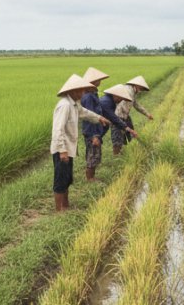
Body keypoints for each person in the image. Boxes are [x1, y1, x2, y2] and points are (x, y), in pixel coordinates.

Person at [51, 73, 95, 212]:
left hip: (69, 148)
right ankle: (59, 210)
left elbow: (85, 113)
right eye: (81, 90)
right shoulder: (64, 105)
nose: (83, 93)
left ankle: (66, 205)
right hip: (62, 149)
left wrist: (99, 118)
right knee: (60, 179)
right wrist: (62, 150)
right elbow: (58, 129)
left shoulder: (74, 104)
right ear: (74, 91)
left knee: (67, 178)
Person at [112, 75, 154, 156]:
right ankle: (116, 155)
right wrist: (120, 121)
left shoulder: (132, 92)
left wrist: (147, 114)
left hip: (125, 115)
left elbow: (136, 104)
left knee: (129, 132)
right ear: (136, 85)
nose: (140, 90)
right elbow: (120, 105)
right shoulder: (128, 90)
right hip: (118, 116)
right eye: (141, 88)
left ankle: (126, 149)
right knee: (117, 136)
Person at [100, 85, 139, 153]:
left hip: (98, 129)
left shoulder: (110, 101)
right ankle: (116, 154)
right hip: (93, 130)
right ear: (116, 95)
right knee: (117, 140)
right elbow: (114, 118)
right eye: (121, 98)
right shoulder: (106, 102)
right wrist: (129, 129)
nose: (121, 101)